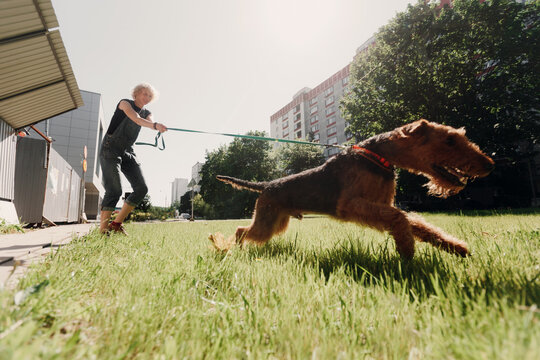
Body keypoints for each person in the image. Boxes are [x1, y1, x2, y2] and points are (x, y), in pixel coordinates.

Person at [99, 83, 167, 235]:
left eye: (150, 96)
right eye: (144, 94)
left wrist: (156, 126)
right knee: (114, 190)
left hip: (127, 151)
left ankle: (116, 224)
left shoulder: (147, 112)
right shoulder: (124, 104)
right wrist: (155, 126)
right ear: (135, 94)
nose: (147, 97)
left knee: (142, 188)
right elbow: (136, 119)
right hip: (110, 148)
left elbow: (148, 121)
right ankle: (103, 232)